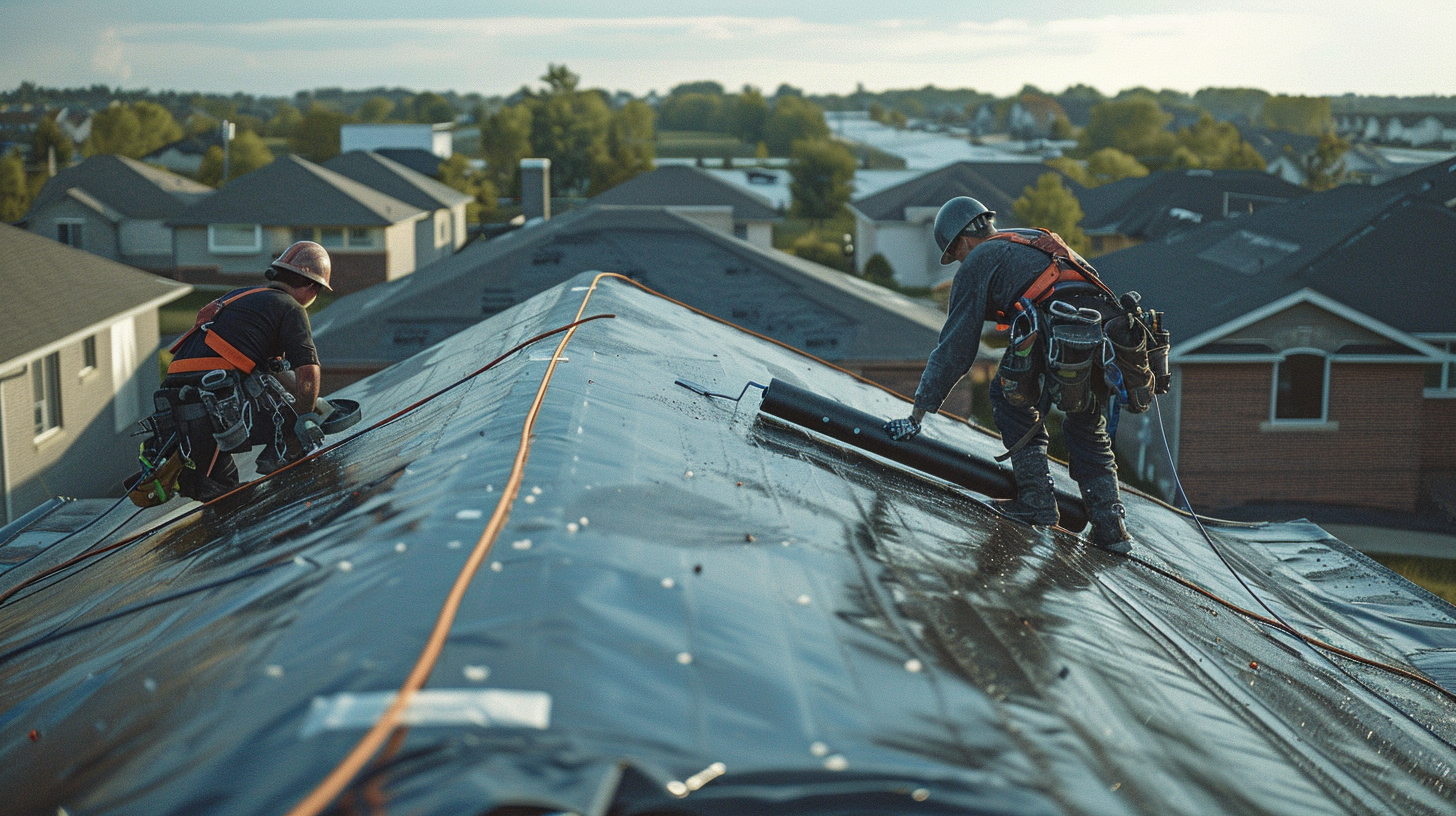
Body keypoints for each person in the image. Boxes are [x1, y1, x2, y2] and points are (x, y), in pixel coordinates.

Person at [883, 197, 1134, 553]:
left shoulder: (980, 260)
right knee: (1085, 424)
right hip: (1101, 335)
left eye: (955, 255)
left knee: (1007, 395)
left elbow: (955, 350)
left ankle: (1036, 501)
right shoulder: (1029, 240)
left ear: (961, 242)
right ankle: (1112, 529)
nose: (959, 263)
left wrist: (917, 414)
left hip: (1061, 329)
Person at [156, 241, 333, 502]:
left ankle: (212, 486)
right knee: (293, 416)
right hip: (212, 400)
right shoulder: (289, 307)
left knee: (220, 492)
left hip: (178, 403)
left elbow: (271, 372)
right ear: (310, 287)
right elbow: (308, 372)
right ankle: (282, 457)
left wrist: (313, 401)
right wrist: (305, 418)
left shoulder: (243, 298)